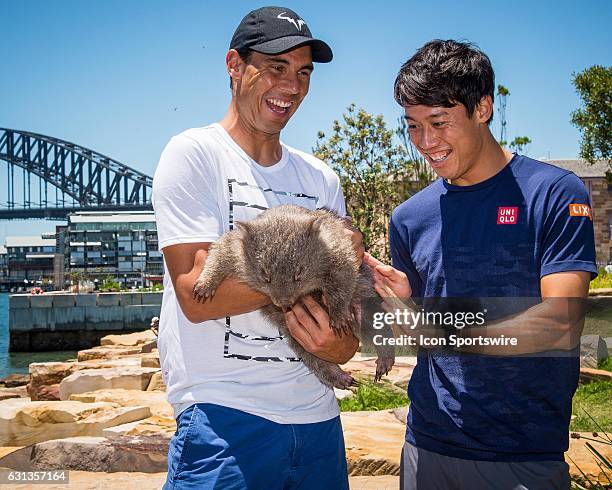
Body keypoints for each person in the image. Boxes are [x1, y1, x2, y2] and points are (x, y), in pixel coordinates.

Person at [364, 39, 597, 489]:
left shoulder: (555, 194)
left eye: (439, 122)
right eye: (412, 126)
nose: (425, 143)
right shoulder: (409, 218)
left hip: (523, 455)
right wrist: (403, 306)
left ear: (483, 108)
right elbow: (416, 329)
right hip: (427, 446)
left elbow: (562, 322)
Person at [152, 7, 360, 489]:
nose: (291, 86)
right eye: (275, 67)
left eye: (303, 72)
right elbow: (196, 294)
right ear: (233, 65)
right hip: (224, 421)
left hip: (319, 424)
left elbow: (346, 327)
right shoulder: (195, 154)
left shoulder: (321, 178)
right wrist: (315, 268)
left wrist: (340, 345)